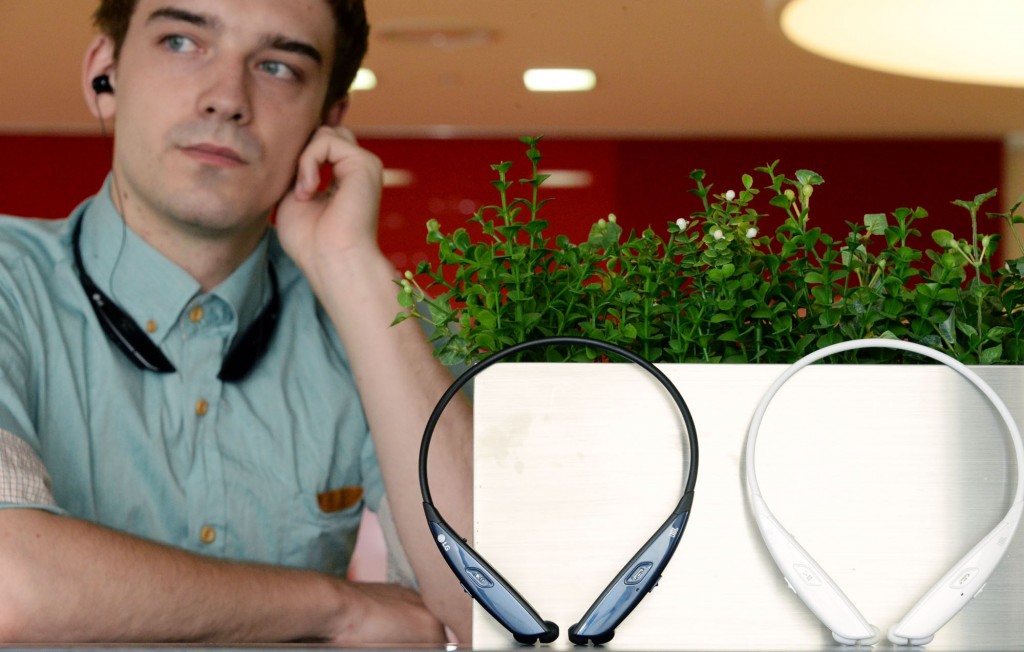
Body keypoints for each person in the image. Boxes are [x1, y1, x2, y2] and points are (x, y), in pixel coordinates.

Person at [0, 0, 472, 645]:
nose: (227, 99)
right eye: (181, 43)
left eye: (278, 67)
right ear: (104, 77)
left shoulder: (392, 326)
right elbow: (11, 583)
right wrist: (336, 607)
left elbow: (498, 610)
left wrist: (350, 269)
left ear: (327, 121)